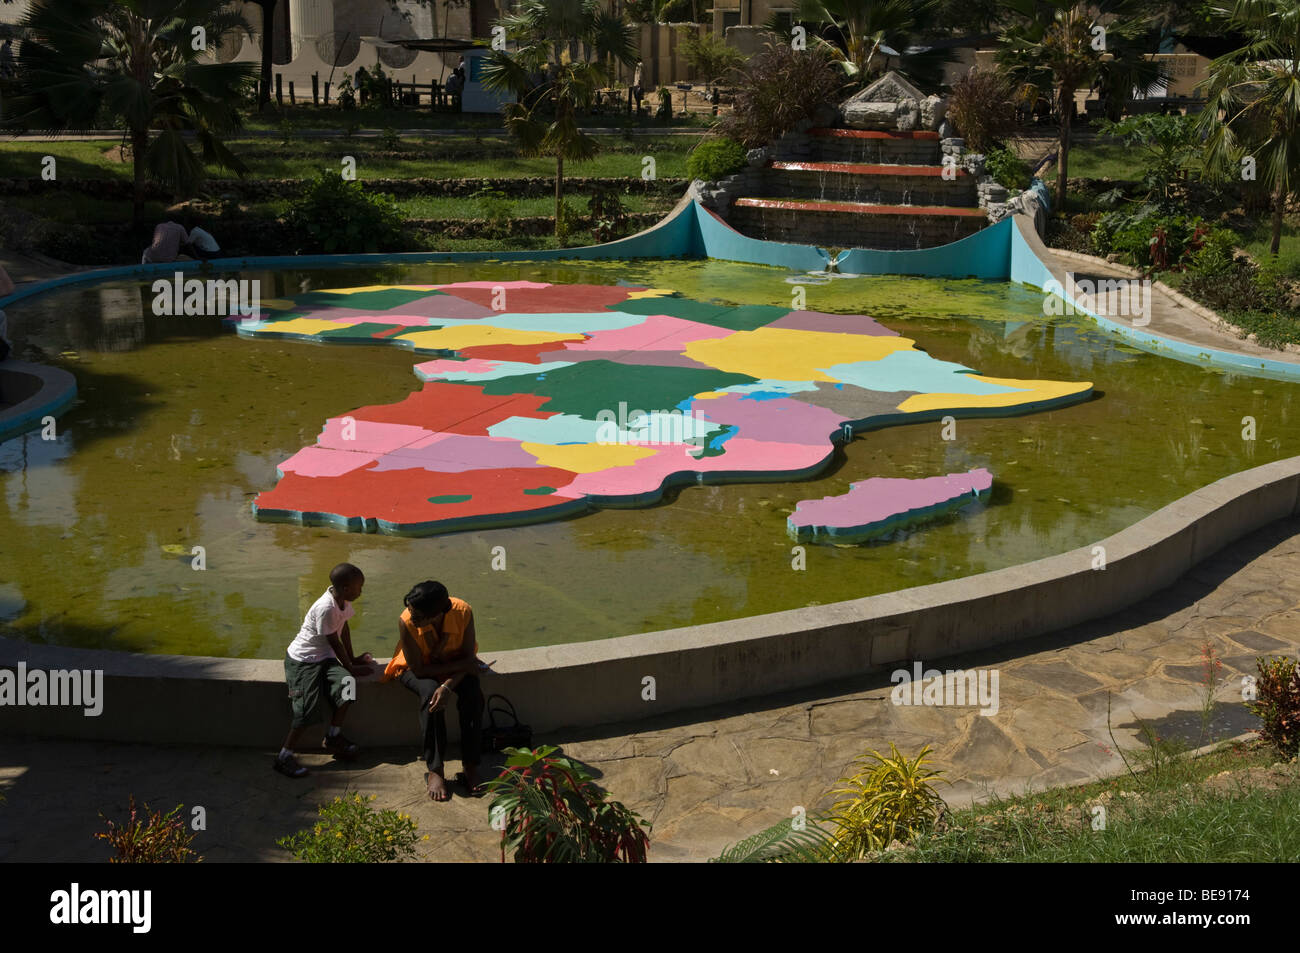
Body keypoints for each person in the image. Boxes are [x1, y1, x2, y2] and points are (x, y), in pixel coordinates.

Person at [382, 580, 485, 802]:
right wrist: (454, 674)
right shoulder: (406, 621)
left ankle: (470, 765)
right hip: (416, 669)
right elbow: (419, 669)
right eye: (411, 612)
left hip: (454, 666)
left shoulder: (463, 611)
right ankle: (436, 769)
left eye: (418, 617)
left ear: (438, 614)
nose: (413, 619)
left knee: (473, 694)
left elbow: (468, 658)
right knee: (430, 694)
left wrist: (447, 685)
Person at [274, 563, 374, 778]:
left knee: (347, 687)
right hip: (304, 661)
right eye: (359, 587)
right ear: (346, 588)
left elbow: (344, 629)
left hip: (325, 658)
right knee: (306, 710)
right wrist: (351, 667)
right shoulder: (326, 607)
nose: (361, 591)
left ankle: (333, 736)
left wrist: (353, 659)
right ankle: (283, 757)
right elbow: (335, 642)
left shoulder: (343, 602)